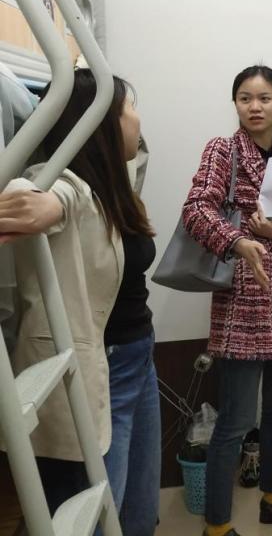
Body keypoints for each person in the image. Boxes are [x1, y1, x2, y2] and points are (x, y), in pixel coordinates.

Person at [0, 69, 160, 534]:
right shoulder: (65, 185)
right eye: (129, 108)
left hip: (139, 359)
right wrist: (42, 201)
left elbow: (134, 158)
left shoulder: (114, 185)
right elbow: (47, 189)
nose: (138, 119)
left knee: (138, 511)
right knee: (95, 516)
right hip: (102, 368)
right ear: (99, 123)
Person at [183, 65, 272, 536]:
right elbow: (196, 210)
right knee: (236, 421)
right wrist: (239, 241)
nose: (255, 106)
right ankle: (217, 526)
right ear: (236, 104)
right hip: (241, 305)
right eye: (245, 98)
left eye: (264, 98)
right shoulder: (223, 151)